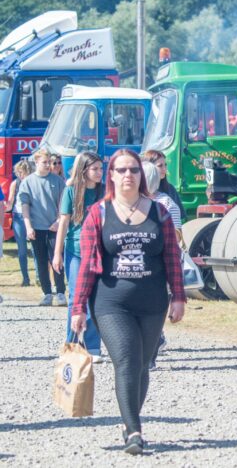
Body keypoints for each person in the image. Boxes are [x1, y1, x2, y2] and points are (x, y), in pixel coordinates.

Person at [70, 149, 185, 455]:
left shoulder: (159, 212)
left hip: (153, 302)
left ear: (141, 174)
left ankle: (128, 417)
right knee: (127, 358)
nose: (127, 176)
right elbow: (87, 265)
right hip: (111, 303)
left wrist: (179, 296)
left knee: (143, 364)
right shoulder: (99, 212)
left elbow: (172, 257)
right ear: (111, 175)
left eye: (133, 170)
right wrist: (78, 306)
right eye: (120, 170)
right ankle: (133, 430)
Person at [53, 152, 105, 362]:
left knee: (96, 297)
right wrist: (57, 253)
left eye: (101, 169)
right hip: (74, 251)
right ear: (84, 170)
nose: (100, 173)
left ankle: (93, 346)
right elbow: (64, 224)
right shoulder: (70, 191)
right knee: (76, 297)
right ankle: (72, 343)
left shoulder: (104, 192)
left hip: (98, 251)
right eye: (95, 169)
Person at [142, 160, 181, 370]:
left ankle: (151, 355)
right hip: (139, 266)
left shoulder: (166, 205)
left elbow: (176, 238)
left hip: (159, 266)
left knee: (154, 310)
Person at [19, 149, 66, 306]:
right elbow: (25, 205)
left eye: (49, 162)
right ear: (36, 162)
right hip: (36, 228)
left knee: (57, 259)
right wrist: (28, 227)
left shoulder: (58, 181)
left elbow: (63, 203)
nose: (48, 165)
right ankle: (46, 293)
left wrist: (59, 220)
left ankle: (60, 292)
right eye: (44, 162)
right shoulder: (28, 182)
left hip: (54, 227)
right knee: (40, 261)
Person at [8, 160, 35, 286]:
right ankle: (25, 278)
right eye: (17, 172)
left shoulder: (33, 183)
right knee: (22, 249)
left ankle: (39, 277)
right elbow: (10, 201)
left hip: (32, 216)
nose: (19, 174)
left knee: (36, 249)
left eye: (21, 171)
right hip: (18, 216)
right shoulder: (15, 183)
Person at [141, 150, 186, 222]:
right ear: (149, 167)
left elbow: (180, 219)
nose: (164, 169)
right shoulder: (137, 190)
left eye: (165, 165)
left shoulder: (170, 189)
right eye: (160, 166)